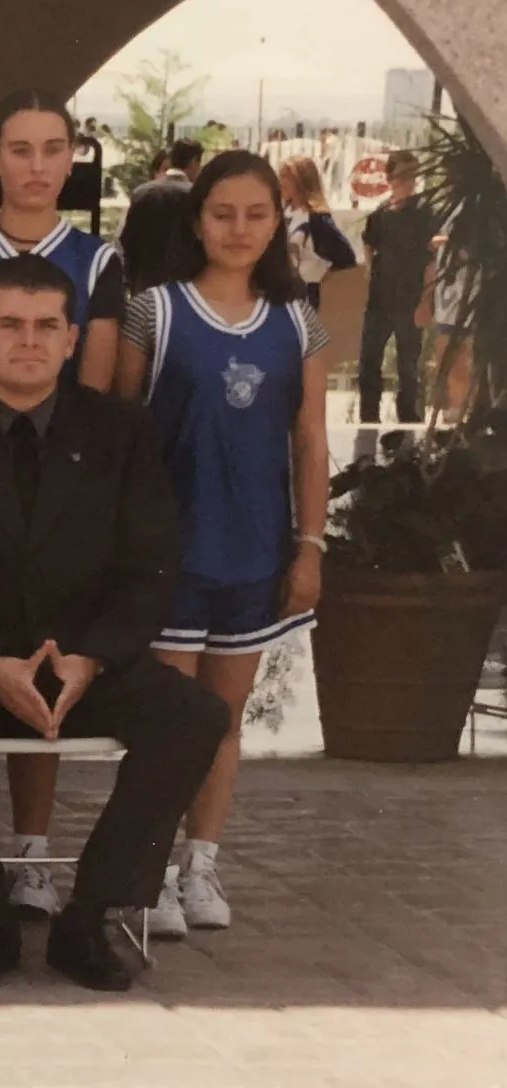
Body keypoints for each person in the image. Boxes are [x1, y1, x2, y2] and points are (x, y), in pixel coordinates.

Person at [0, 254, 227, 993]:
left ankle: (90, 914)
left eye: (47, 326)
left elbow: (152, 568)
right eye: (10, 325)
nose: (29, 341)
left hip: (84, 662)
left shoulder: (122, 433)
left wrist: (92, 659)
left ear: (73, 340)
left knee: (194, 715)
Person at [0, 90, 126, 924]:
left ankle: (34, 855)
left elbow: (98, 387)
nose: (37, 166)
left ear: (71, 158)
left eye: (53, 149)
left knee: (42, 659)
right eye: (20, 149)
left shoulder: (98, 261)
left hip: (55, 497)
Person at [116, 150, 329, 938]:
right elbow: (123, 432)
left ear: (278, 222)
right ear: (196, 219)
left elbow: (310, 442)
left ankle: (199, 864)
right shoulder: (155, 311)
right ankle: (148, 872)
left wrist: (310, 545)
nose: (239, 229)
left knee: (225, 714)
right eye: (222, 213)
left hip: (256, 548)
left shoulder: (297, 321)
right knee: (175, 718)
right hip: (173, 550)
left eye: (257, 214)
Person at [358, 149, 437, 428]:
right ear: (390, 177)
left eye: (413, 174)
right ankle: (368, 420)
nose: (409, 181)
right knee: (369, 361)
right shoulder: (380, 214)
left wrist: (426, 301)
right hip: (379, 301)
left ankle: (409, 424)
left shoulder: (424, 212)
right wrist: (371, 271)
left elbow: (431, 259)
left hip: (410, 299)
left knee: (408, 367)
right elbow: (368, 241)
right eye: (403, 174)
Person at [119, 139, 203, 295]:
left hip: (143, 285)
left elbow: (127, 241)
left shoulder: (141, 193)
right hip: (183, 288)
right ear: (194, 162)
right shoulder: (196, 196)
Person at [278, 155, 356, 308]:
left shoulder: (316, 218)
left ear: (299, 181)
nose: (279, 182)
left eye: (284, 177)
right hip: (280, 290)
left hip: (304, 293)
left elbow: (346, 256)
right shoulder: (282, 213)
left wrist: (324, 273)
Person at [419, 233, 475, 417]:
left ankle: (465, 411)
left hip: (473, 307)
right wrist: (426, 302)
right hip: (447, 309)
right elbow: (432, 261)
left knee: (465, 362)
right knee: (445, 361)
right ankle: (454, 409)